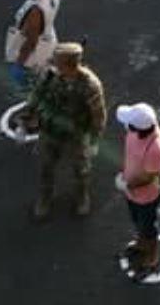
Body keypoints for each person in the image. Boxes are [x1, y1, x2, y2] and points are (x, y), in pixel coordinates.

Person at [22, 43, 106, 220]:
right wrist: (27, 114)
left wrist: (94, 139)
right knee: (46, 166)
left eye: (58, 61)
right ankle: (45, 197)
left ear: (70, 64)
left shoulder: (90, 86)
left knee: (81, 169)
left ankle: (82, 197)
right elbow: (37, 95)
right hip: (50, 131)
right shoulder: (50, 75)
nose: (54, 64)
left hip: (75, 135)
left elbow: (98, 115)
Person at [115, 102, 160, 280]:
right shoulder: (135, 132)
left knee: (148, 228)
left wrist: (127, 185)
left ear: (137, 126)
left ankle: (151, 259)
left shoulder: (156, 148)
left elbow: (149, 178)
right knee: (137, 221)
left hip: (146, 197)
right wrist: (125, 175)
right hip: (131, 191)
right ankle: (140, 245)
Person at [7, 0, 60, 85]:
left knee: (38, 78)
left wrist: (19, 63)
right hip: (49, 37)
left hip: (37, 50)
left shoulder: (35, 12)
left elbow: (31, 41)